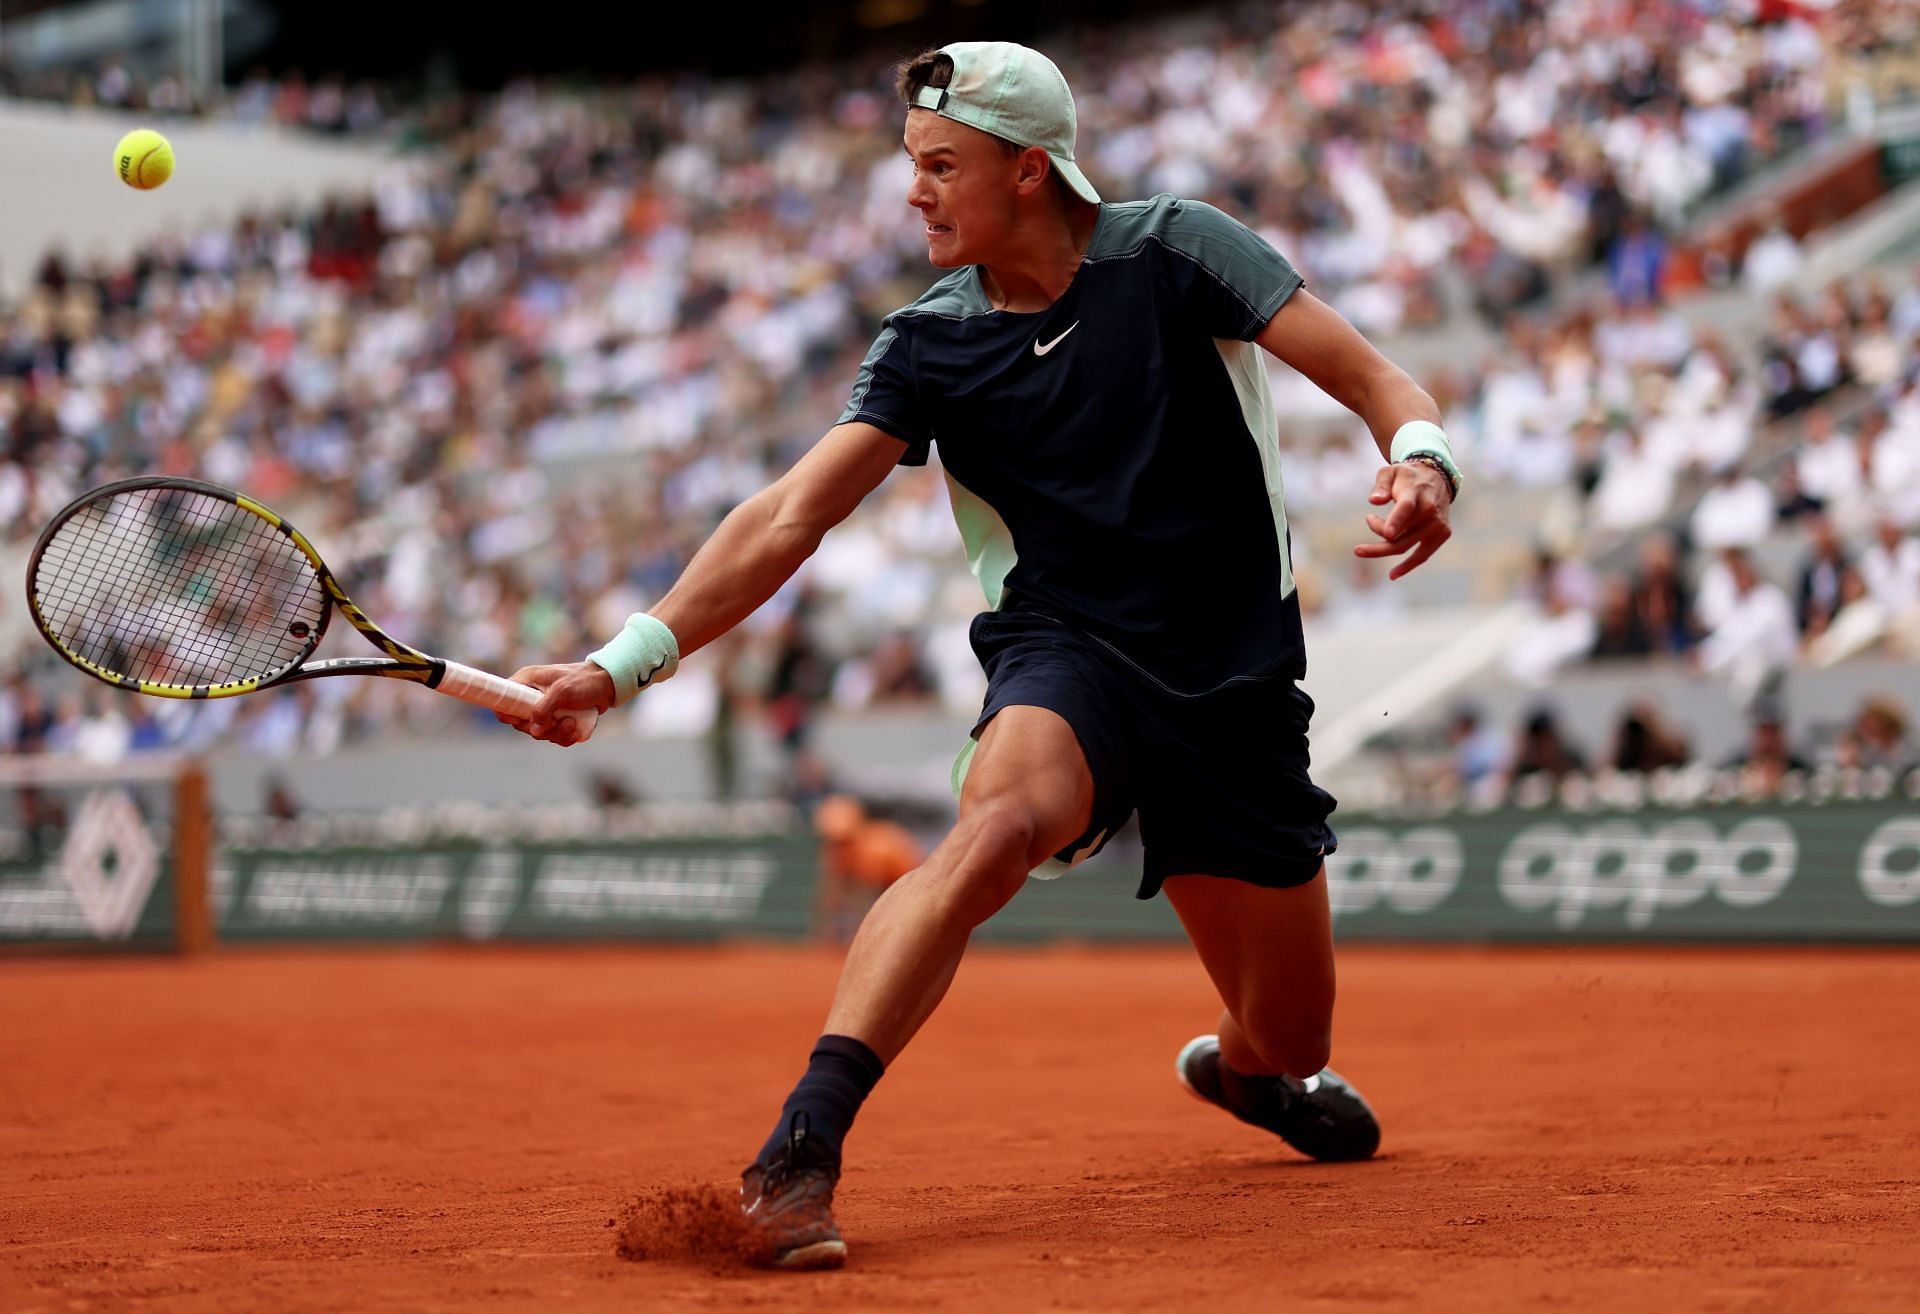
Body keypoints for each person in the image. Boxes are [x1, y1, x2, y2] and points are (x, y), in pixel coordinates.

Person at [500, 42, 1458, 1270]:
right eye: (913, 164)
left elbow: (1373, 376)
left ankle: (1247, 1073)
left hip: (1233, 682)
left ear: (1029, 169)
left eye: (940, 165)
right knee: (998, 824)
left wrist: (1422, 459)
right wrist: (618, 663)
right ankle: (800, 1149)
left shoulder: (1178, 249)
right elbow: (790, 514)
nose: (914, 192)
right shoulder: (926, 342)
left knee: (1292, 1031)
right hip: (1068, 656)